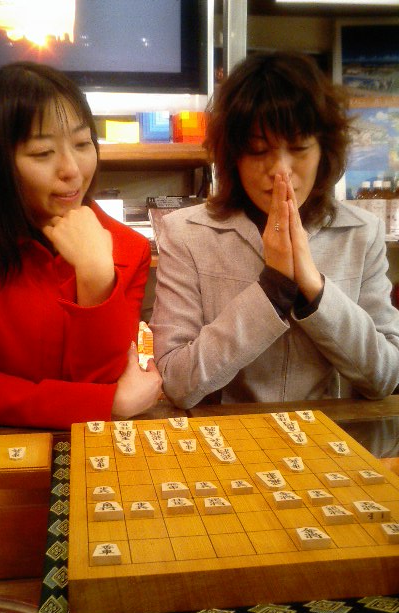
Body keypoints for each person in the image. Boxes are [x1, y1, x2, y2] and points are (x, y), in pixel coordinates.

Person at [150, 50, 399, 409]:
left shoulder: (361, 232)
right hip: (225, 437)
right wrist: (272, 289)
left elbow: (385, 377)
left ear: (324, 151)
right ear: (233, 156)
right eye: (257, 150)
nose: (280, 170)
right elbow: (177, 382)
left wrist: (313, 287)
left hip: (327, 435)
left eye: (298, 148)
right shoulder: (186, 233)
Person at [0, 61, 162, 428]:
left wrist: (96, 275)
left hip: (99, 450)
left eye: (82, 144)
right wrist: (109, 403)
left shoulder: (130, 246)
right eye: (42, 153)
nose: (72, 170)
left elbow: (101, 379)